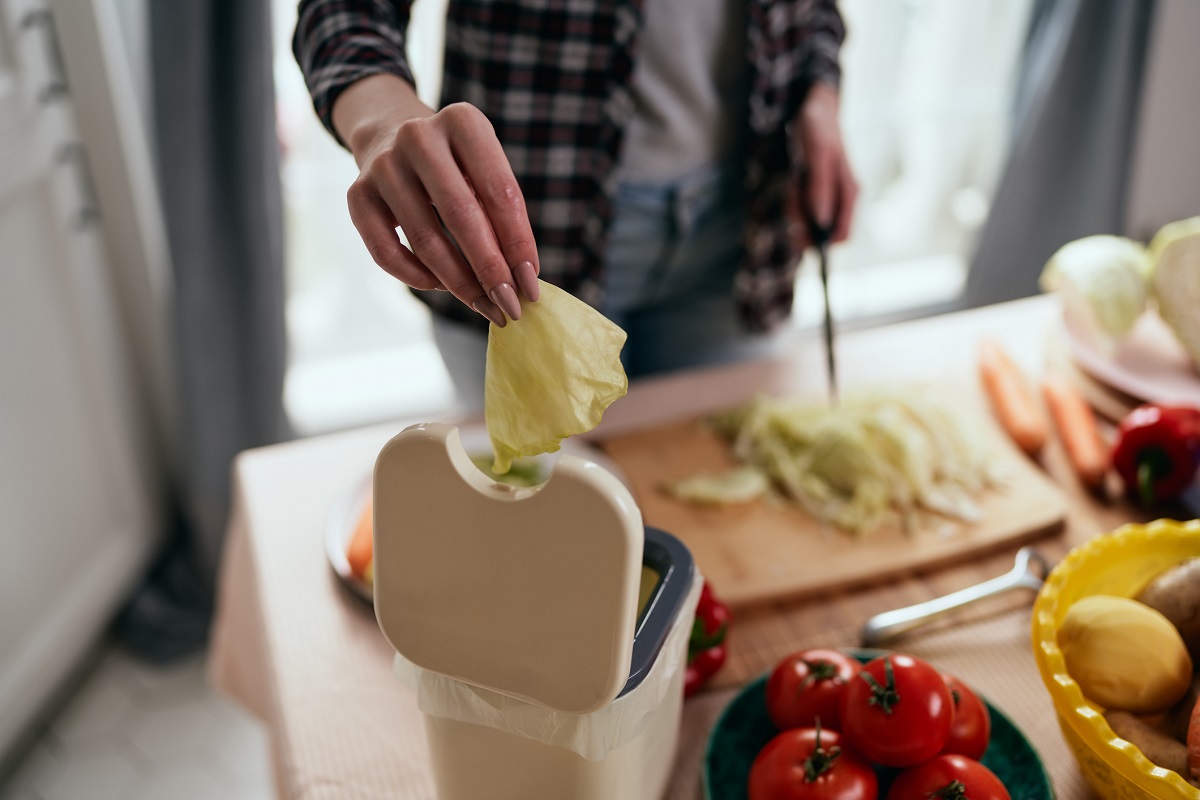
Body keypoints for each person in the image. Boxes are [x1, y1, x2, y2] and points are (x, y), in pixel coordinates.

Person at [294, 0, 857, 408]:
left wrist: (819, 93)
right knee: (542, 536)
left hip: (742, 235)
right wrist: (383, 121)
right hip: (522, 249)